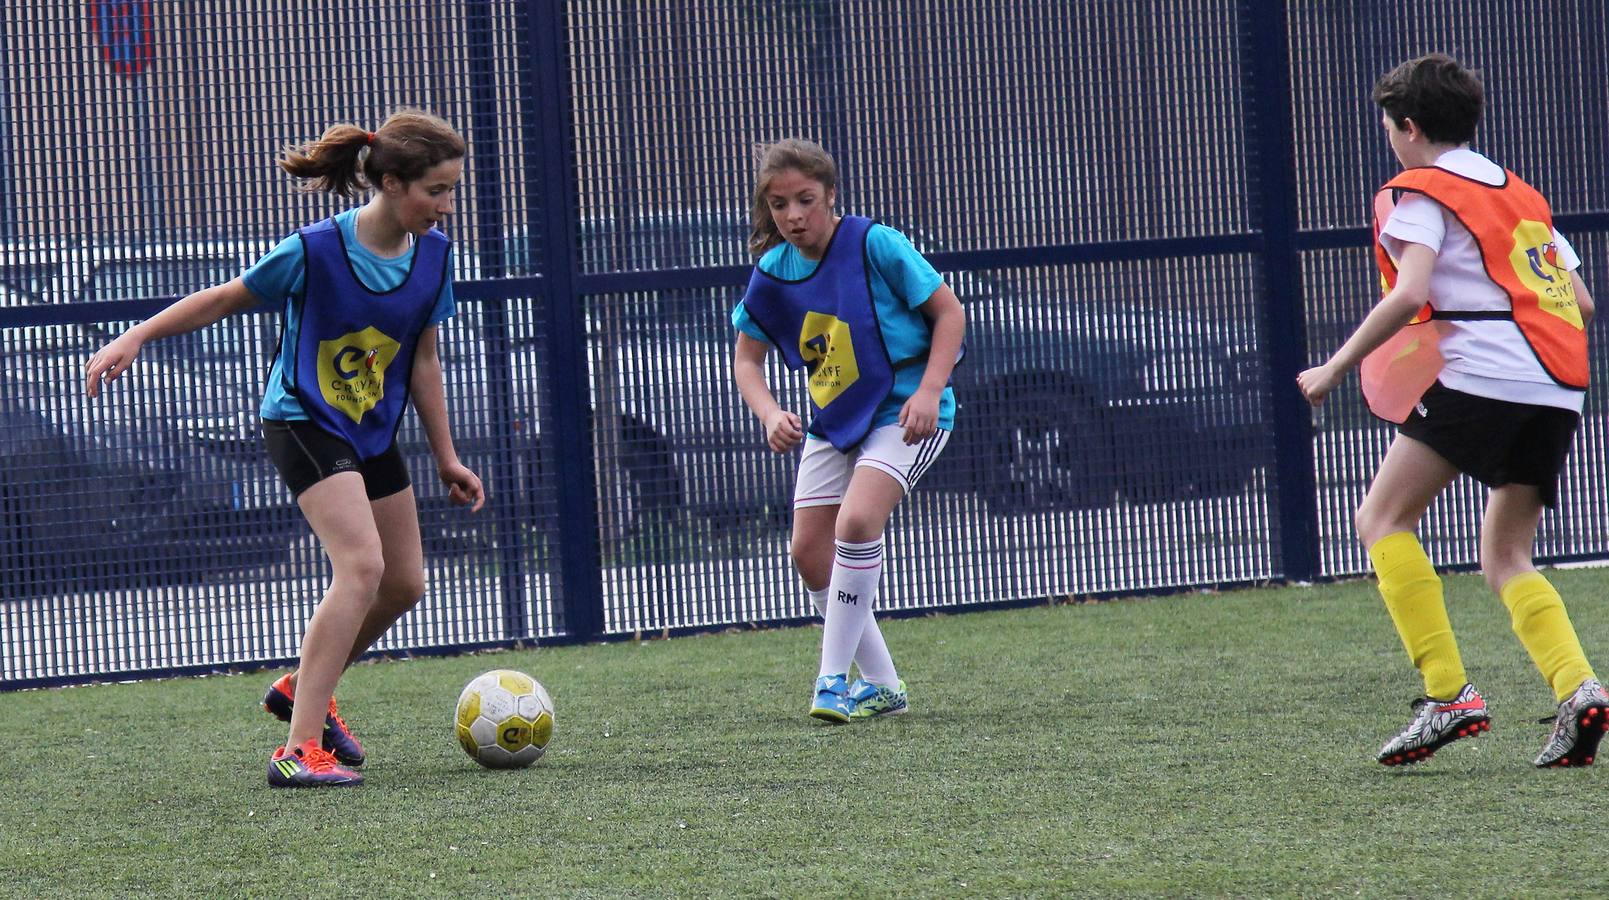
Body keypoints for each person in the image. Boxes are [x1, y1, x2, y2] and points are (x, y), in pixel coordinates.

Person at [85, 108, 485, 787]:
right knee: (359, 567)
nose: (446, 206)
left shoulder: (435, 256)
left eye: (452, 190)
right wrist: (137, 336)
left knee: (404, 583)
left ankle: (299, 686)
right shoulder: (316, 249)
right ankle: (299, 750)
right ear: (391, 183)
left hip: (369, 430)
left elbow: (423, 361)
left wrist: (445, 456)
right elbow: (222, 297)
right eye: (436, 191)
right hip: (303, 418)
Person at [1298, 55, 1604, 768]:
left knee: (1380, 519)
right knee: (1505, 555)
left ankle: (1447, 696)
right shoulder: (1521, 195)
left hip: (1483, 376)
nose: (1390, 142)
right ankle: (1578, 687)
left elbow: (1409, 294)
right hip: (1556, 383)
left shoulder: (1422, 195)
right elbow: (1580, 304)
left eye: (1388, 129)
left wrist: (1334, 368)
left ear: (1408, 126)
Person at [730, 138, 965, 723]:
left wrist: (930, 391)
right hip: (833, 423)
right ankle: (883, 686)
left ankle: (830, 680)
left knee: (857, 522)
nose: (793, 216)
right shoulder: (772, 274)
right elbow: (746, 360)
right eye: (779, 204)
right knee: (809, 554)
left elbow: (949, 313)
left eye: (806, 200)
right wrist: (769, 413)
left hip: (903, 413)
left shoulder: (874, 242)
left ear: (831, 195)